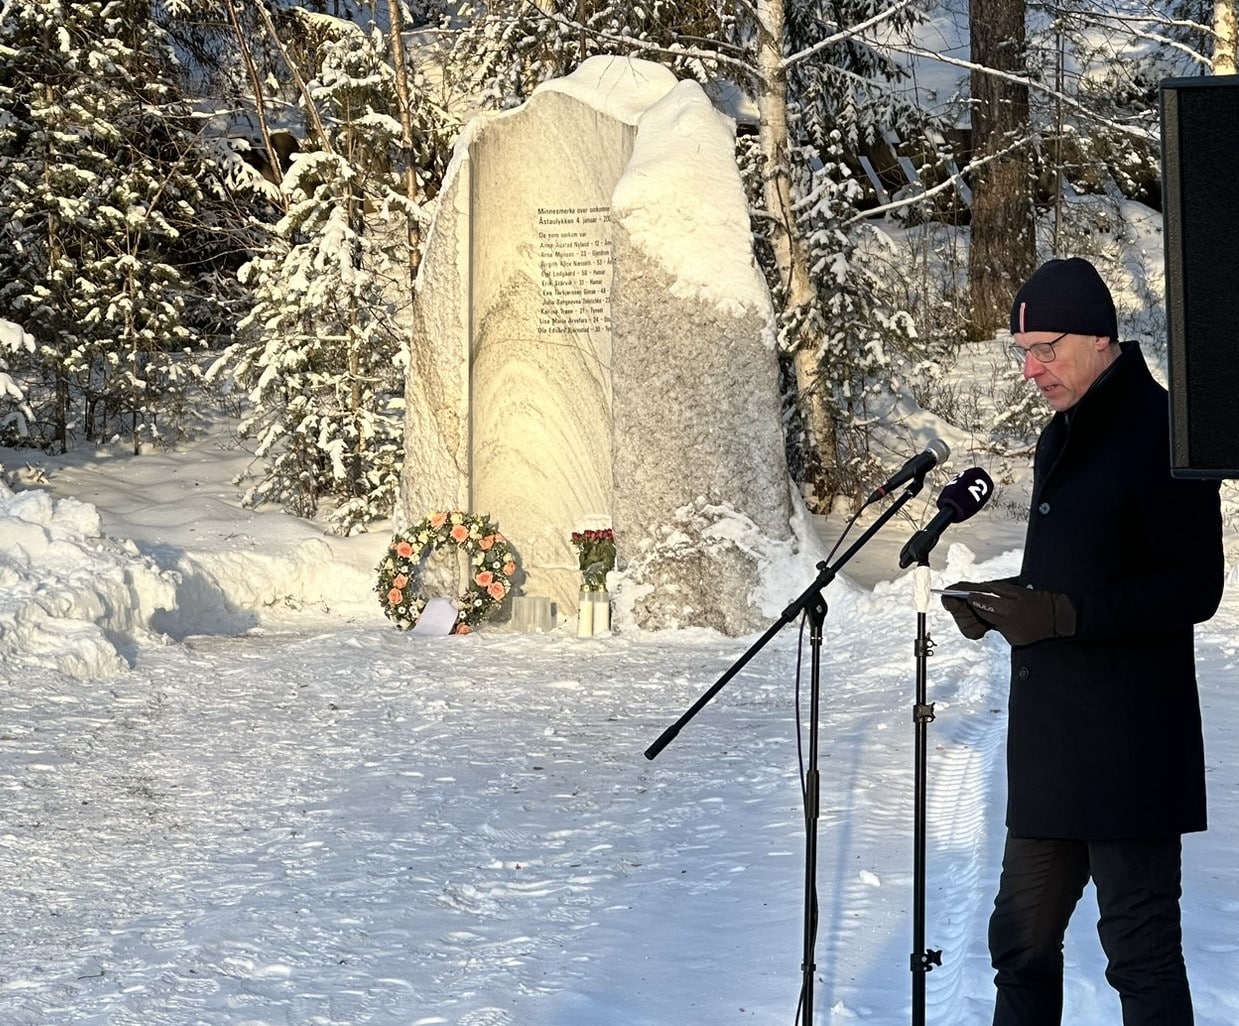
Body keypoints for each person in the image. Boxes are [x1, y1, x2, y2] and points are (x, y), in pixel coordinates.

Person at [941, 257, 1224, 1026]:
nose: (1031, 369)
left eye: (1046, 348)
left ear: (1100, 338)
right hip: (1053, 749)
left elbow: (1194, 587)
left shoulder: (1164, 430)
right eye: (1021, 352)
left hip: (1129, 747)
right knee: (1019, 944)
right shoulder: (1058, 435)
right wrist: (1009, 605)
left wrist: (1061, 617)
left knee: (1138, 953)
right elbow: (1078, 572)